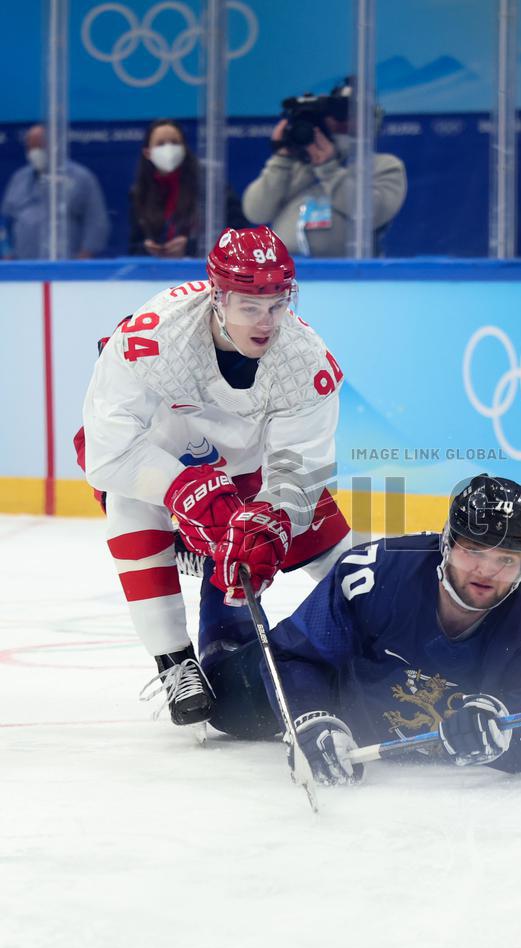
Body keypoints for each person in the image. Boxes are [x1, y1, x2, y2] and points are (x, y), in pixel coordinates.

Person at [80, 226, 350, 732]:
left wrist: (271, 521)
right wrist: (180, 489)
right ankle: (173, 660)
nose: (266, 322)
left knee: (339, 555)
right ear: (218, 297)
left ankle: (378, 631)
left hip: (248, 468)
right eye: (250, 307)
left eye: (276, 305)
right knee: (127, 505)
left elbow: (299, 467)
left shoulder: (305, 360)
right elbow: (107, 449)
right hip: (157, 461)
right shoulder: (154, 337)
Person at [206, 475, 521, 783]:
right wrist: (312, 716)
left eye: (506, 559)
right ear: (447, 543)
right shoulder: (375, 576)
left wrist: (508, 739)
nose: (487, 571)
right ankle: (216, 570)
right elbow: (294, 655)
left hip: (375, 724)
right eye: (474, 550)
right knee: (218, 701)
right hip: (334, 690)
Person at [242, 82, 407, 257]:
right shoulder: (294, 166)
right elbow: (256, 213)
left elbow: (371, 212)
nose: (344, 120)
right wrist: (282, 159)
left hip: (350, 275)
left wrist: (328, 169)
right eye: (337, 112)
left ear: (373, 120)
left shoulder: (384, 166)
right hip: (284, 274)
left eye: (354, 113)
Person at [129, 118, 246, 257]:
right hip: (156, 274)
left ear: (184, 148)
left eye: (175, 142)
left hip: (204, 268)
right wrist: (147, 249)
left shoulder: (208, 184)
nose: (168, 149)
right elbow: (134, 246)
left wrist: (191, 247)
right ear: (147, 153)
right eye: (160, 144)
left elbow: (238, 231)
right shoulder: (140, 192)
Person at [0, 124, 109, 259]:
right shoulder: (18, 179)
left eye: (39, 146)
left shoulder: (81, 178)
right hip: (24, 267)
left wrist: (84, 256)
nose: (34, 152)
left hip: (65, 267)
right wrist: (6, 252)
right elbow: (4, 221)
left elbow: (96, 221)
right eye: (30, 148)